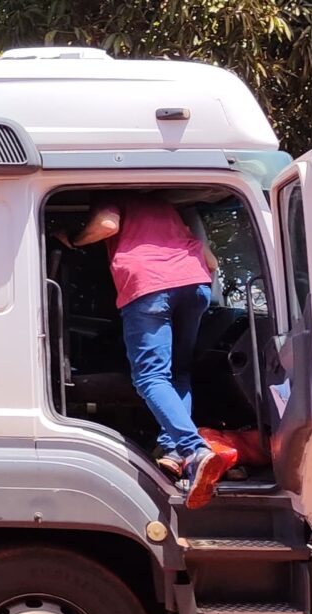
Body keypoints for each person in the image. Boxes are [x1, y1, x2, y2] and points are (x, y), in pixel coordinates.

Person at [70, 193, 224, 492]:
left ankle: (195, 450)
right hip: (195, 286)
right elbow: (212, 262)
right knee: (178, 372)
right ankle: (173, 448)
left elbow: (106, 225)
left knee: (151, 377)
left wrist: (74, 238)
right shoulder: (168, 208)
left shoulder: (117, 200)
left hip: (149, 286)